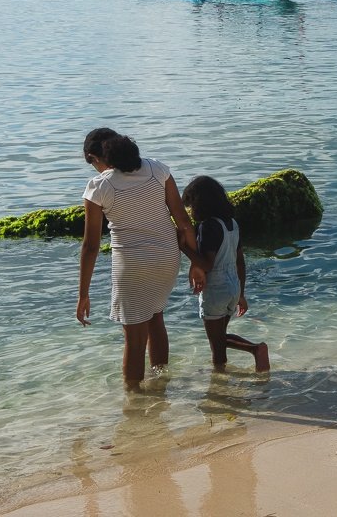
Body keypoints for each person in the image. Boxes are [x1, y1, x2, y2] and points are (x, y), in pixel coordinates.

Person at [76, 129, 205, 390]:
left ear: (94, 157)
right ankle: (160, 385)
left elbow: (90, 246)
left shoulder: (99, 186)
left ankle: (134, 403)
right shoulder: (157, 170)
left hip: (132, 265)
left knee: (134, 340)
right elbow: (183, 222)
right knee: (156, 317)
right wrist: (196, 262)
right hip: (167, 258)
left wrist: (83, 294)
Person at [180, 175, 270, 372]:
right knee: (220, 336)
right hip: (233, 285)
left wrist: (184, 248)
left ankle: (251, 353)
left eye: (191, 206)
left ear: (200, 203)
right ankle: (227, 374)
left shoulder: (207, 226)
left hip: (216, 287)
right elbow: (240, 262)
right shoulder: (232, 224)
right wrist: (241, 294)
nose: (191, 212)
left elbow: (207, 264)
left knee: (216, 343)